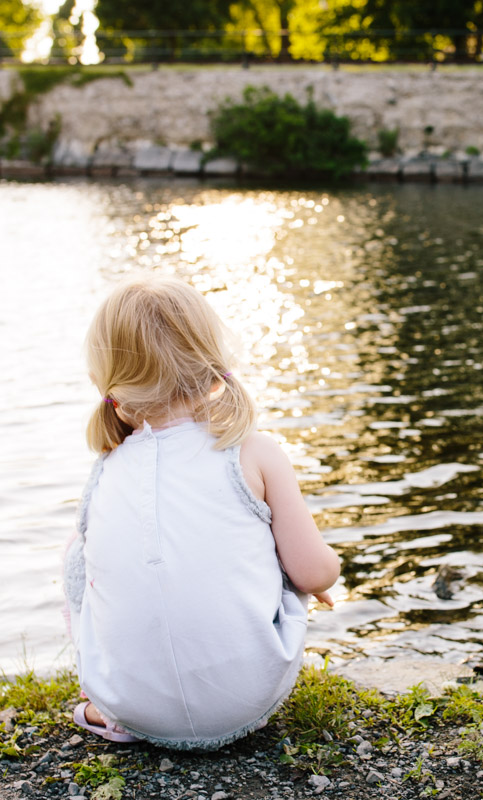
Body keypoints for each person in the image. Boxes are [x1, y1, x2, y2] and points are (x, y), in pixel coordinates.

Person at [62, 274, 340, 749]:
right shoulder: (252, 451)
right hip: (247, 700)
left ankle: (104, 704)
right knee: (269, 541)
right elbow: (317, 571)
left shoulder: (105, 470)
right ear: (213, 367)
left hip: (131, 705)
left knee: (76, 557)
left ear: (106, 381)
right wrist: (309, 581)